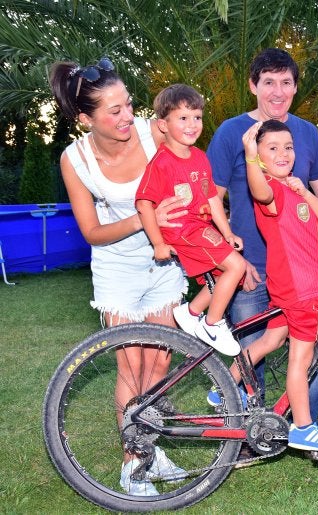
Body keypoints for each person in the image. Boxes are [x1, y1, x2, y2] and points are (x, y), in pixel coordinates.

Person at [207, 48, 318, 433]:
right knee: (253, 354)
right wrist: (229, 260)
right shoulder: (231, 133)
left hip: (300, 272)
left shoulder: (304, 134)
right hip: (252, 268)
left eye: (286, 82)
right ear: (253, 86)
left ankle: (305, 429)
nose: (277, 91)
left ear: (295, 87)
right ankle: (245, 437)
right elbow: (210, 201)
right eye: (268, 82)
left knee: (304, 354)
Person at [49, 57, 190, 496]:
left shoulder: (153, 132)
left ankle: (152, 448)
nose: (128, 116)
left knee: (160, 359)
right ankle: (134, 464)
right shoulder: (75, 160)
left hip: (164, 261)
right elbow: (91, 231)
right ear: (85, 118)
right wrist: (143, 218)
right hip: (116, 266)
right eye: (114, 111)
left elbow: (192, 164)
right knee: (130, 364)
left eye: (128, 104)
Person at [231, 119, 318, 452]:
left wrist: (304, 190)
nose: (283, 153)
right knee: (300, 359)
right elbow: (259, 190)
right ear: (259, 156)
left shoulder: (292, 188)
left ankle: (225, 384)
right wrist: (251, 157)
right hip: (302, 289)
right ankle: (304, 427)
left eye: (288, 147)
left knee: (271, 338)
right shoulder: (270, 189)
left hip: (295, 287)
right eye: (272, 148)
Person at [135, 84, 246, 356]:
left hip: (199, 227)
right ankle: (212, 324)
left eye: (196, 117)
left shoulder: (199, 157)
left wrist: (227, 232)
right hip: (181, 229)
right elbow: (143, 203)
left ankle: (192, 311)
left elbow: (212, 199)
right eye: (183, 118)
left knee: (226, 274)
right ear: (163, 124)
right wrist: (158, 243)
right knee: (237, 266)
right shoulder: (161, 162)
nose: (192, 124)